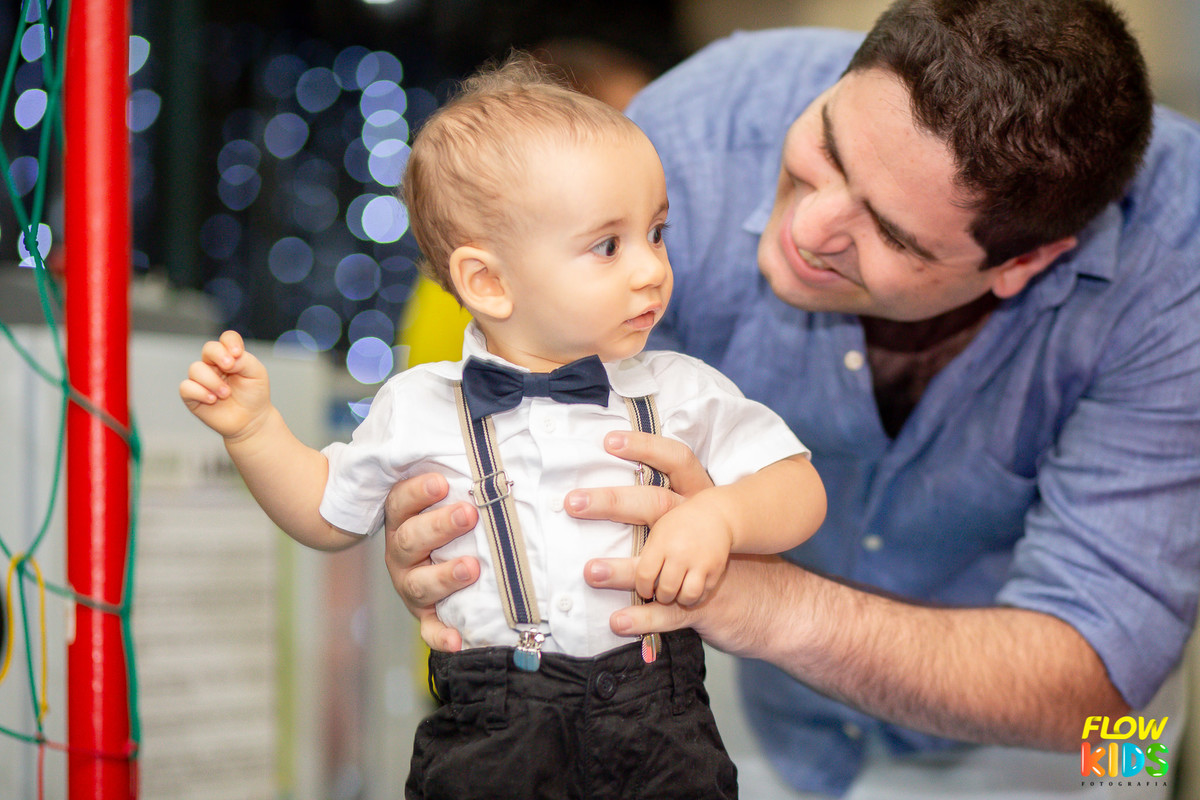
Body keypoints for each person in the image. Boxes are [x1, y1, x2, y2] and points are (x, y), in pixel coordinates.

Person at [383, 1, 1200, 797]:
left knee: (1124, 753)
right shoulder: (694, 134)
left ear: (1025, 263)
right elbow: (541, 402)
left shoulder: (1180, 247)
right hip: (773, 709)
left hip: (1065, 740)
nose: (808, 229)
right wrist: (468, 531)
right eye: (828, 148)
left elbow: (1099, 672)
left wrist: (766, 604)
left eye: (892, 233)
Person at [181, 55, 826, 799]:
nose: (651, 268)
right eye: (608, 245)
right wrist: (254, 431)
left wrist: (722, 515)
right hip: (494, 721)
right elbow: (327, 512)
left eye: (657, 232)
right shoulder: (419, 405)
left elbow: (799, 487)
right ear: (487, 282)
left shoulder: (680, 389)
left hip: (659, 715)